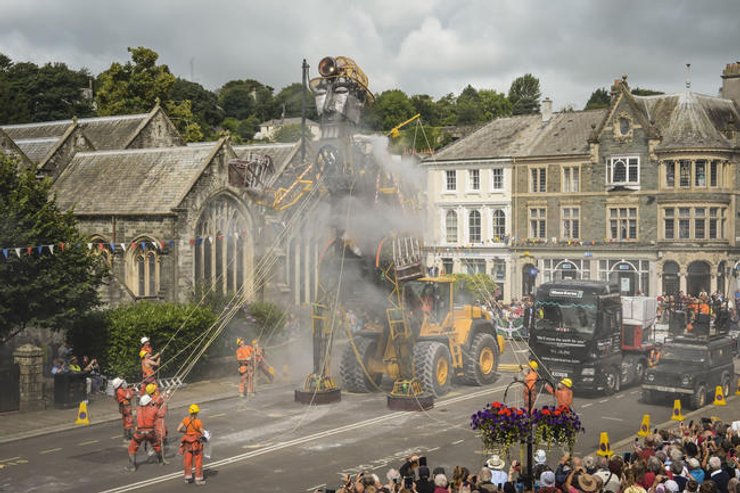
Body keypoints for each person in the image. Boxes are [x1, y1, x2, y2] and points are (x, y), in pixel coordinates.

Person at [126, 394, 163, 472]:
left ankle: (132, 466)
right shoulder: (154, 409)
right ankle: (161, 461)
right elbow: (161, 415)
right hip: (150, 432)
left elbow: (138, 405)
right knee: (156, 445)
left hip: (140, 433)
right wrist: (160, 405)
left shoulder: (138, 409)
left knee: (132, 448)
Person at [177, 404, 207, 486]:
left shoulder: (185, 420)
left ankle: (188, 478)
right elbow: (203, 432)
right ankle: (198, 479)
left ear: (189, 412)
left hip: (187, 442)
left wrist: (186, 432)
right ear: (197, 412)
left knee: (187, 460)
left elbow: (178, 429)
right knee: (198, 461)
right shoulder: (198, 422)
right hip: (196, 443)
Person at [113, 377, 135, 441]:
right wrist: (131, 391)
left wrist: (130, 389)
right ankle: (128, 436)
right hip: (126, 407)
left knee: (126, 420)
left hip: (124, 406)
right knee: (128, 420)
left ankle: (126, 435)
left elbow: (126, 392)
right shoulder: (120, 390)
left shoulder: (119, 390)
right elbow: (128, 396)